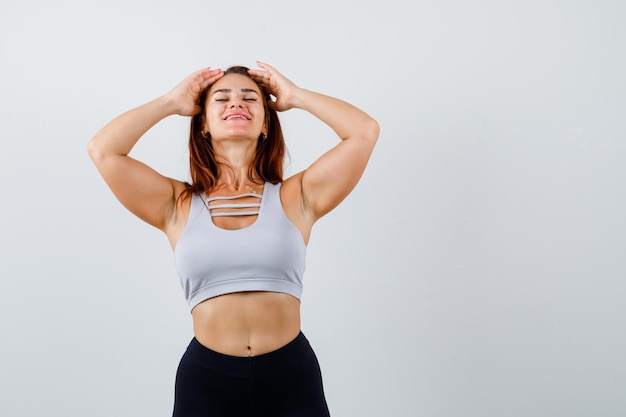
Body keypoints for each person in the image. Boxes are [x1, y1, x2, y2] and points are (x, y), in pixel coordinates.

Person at [87, 61, 379, 417]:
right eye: (221, 98)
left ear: (266, 123)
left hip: (291, 377)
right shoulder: (176, 204)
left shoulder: (298, 195)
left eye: (250, 98)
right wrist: (170, 102)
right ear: (204, 125)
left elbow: (364, 131)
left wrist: (295, 95)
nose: (236, 104)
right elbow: (103, 150)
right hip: (207, 381)